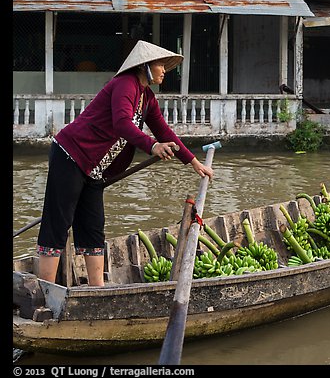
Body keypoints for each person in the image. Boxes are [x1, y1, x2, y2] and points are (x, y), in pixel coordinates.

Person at [36, 40, 214, 286]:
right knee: (59, 223)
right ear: (145, 66)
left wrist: (193, 161)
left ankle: (97, 290)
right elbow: (122, 124)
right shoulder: (125, 84)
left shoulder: (147, 97)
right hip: (71, 155)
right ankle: (46, 291)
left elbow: (164, 131)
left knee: (93, 225)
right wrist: (152, 146)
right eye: (160, 64)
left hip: (95, 167)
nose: (164, 70)